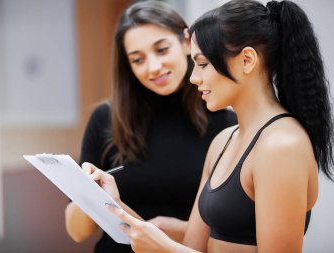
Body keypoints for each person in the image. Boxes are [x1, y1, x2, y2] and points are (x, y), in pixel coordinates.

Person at [84, 0, 334, 252]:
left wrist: (166, 250)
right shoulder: (223, 142)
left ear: (247, 60)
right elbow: (193, 246)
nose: (193, 77)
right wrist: (114, 204)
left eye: (202, 64)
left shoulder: (281, 146)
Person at [65, 1, 237, 252]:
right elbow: (77, 232)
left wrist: (183, 231)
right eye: (138, 59)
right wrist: (88, 193)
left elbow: (239, 233)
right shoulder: (106, 119)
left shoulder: (226, 123)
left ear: (186, 41)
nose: (153, 67)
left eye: (162, 49)